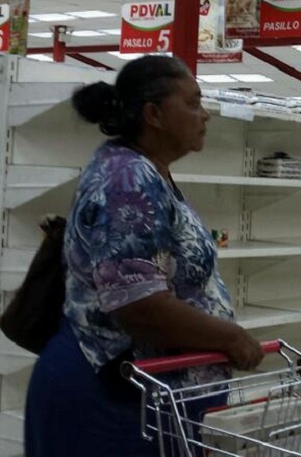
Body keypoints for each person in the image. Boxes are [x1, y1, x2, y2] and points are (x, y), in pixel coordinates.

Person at [24, 55, 264, 456]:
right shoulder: (126, 182)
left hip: (141, 393)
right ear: (154, 114)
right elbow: (139, 307)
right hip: (109, 397)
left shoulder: (146, 169)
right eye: (192, 102)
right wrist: (231, 337)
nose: (204, 114)